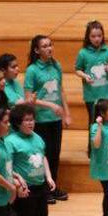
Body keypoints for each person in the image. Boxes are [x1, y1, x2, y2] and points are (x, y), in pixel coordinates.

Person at [24, 35, 71, 203]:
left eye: (50, 45)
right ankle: (44, 189)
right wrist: (50, 105)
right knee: (44, 154)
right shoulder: (32, 70)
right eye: (44, 46)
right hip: (41, 119)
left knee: (55, 153)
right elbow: (28, 98)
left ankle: (53, 186)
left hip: (55, 119)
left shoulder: (56, 65)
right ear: (37, 50)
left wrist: (66, 113)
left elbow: (61, 90)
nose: (49, 48)